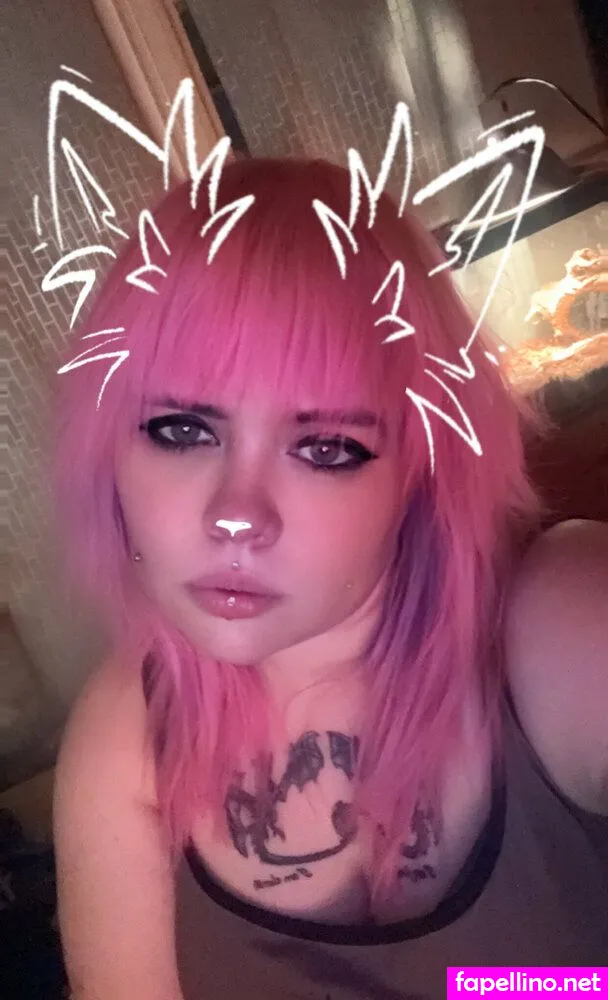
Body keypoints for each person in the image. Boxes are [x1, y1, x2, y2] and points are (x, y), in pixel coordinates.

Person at [52, 157, 608, 1000]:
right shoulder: (125, 738)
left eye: (326, 448)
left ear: (422, 466)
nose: (237, 516)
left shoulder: (562, 621)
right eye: (181, 430)